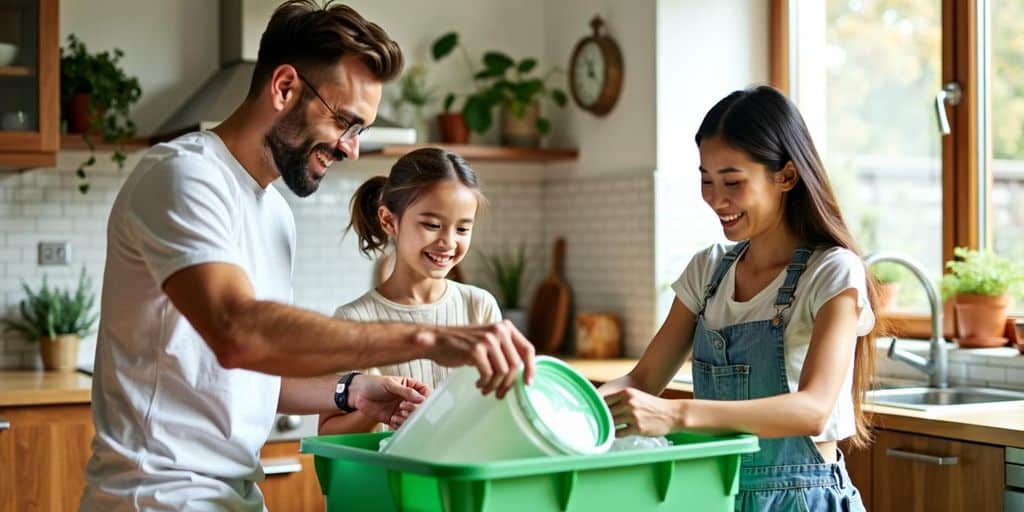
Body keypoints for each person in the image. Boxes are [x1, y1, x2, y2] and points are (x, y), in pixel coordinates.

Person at [80, 3, 533, 510]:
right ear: (284, 87)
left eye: (359, 130)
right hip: (159, 494)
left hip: (231, 493)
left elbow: (249, 379)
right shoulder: (185, 176)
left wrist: (351, 393)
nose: (351, 149)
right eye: (344, 121)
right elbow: (239, 333)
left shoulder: (273, 212)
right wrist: (428, 337)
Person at [599, 86, 875, 511]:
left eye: (732, 181)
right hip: (715, 495)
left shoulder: (831, 271)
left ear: (785, 176)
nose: (715, 198)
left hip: (801, 499)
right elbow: (642, 380)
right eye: (706, 180)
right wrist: (569, 405)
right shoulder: (707, 272)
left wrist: (676, 415)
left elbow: (813, 409)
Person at [322, 147, 503, 433]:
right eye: (432, 225)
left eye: (462, 229)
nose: (448, 242)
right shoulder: (353, 320)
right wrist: (379, 411)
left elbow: (499, 410)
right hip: (387, 477)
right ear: (389, 221)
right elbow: (329, 432)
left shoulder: (478, 307)